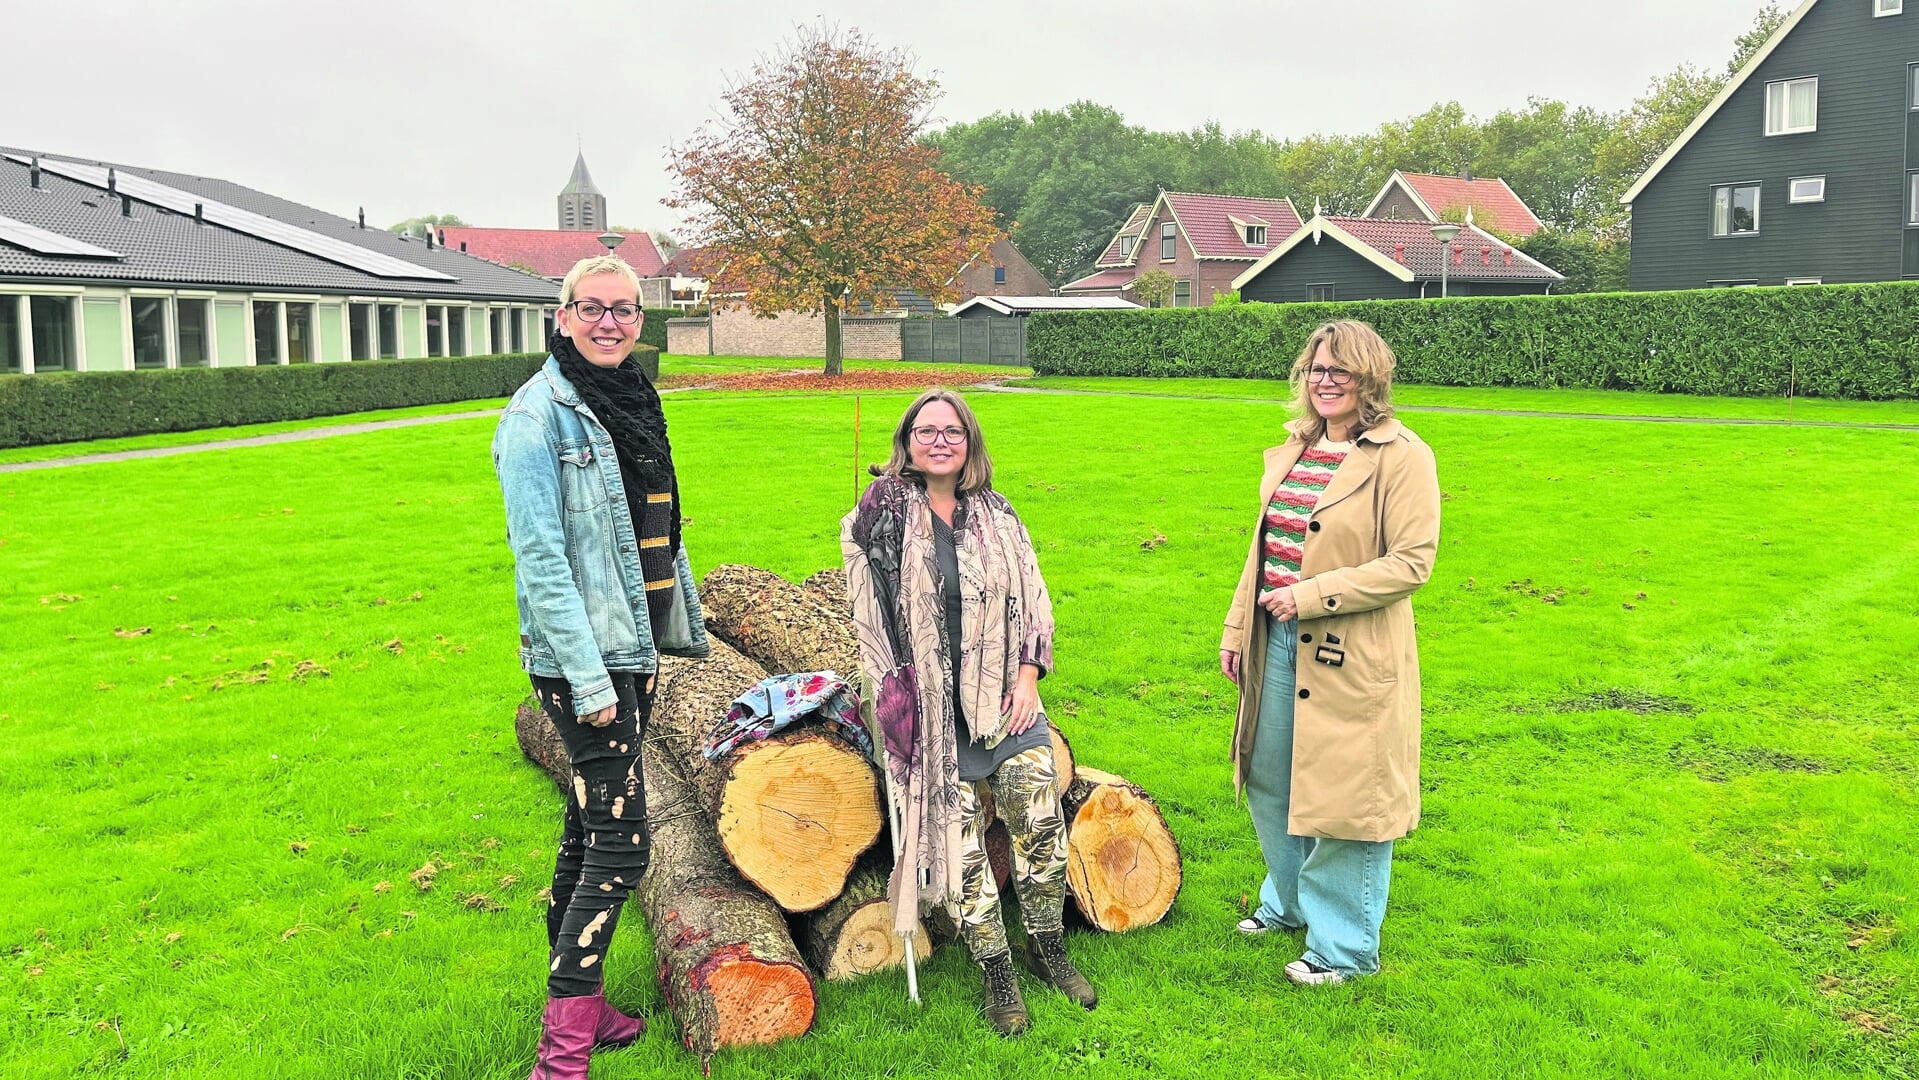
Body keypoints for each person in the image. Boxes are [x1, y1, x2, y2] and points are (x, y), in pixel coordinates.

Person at [492, 254, 709, 1079]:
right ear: (562, 316)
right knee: (621, 846)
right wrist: (589, 682)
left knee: (590, 829)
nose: (609, 322)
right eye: (593, 309)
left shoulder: (629, 402)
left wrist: (678, 623)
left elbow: (658, 526)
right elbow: (541, 561)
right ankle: (561, 1053)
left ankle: (588, 1011)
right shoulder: (536, 418)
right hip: (585, 663)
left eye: (624, 309)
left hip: (635, 648)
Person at [841, 389, 1095, 1037]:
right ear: (906, 441)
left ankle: (1046, 947)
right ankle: (996, 971)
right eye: (925, 431)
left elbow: (1034, 598)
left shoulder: (999, 514)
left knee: (1040, 822)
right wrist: (894, 702)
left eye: (951, 430)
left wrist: (1030, 675)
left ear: (969, 441)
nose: (939, 441)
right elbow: (866, 605)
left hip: (1004, 701)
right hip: (930, 712)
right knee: (958, 847)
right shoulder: (887, 513)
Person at [1218, 319, 1440, 986]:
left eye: (1339, 370)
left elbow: (1411, 563)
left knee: (1347, 799)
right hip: (1276, 641)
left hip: (1351, 653)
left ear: (1368, 378)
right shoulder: (1297, 448)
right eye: (1316, 368)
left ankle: (1341, 950)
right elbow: (1262, 553)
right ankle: (1286, 905)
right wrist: (1237, 632)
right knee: (1270, 778)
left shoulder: (1402, 456)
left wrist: (1313, 595)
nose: (1324, 381)